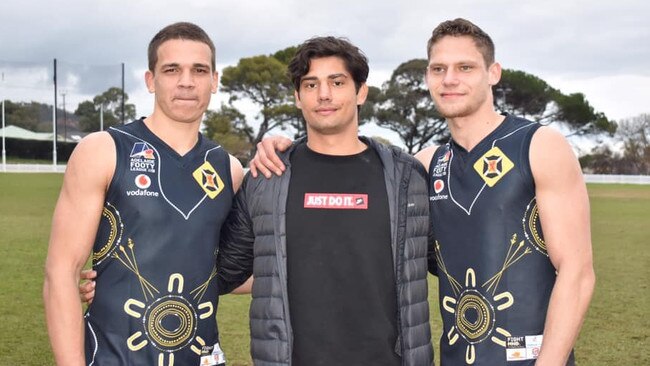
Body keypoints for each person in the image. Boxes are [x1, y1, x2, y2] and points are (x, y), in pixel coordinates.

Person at [249, 19, 595, 366]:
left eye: (465, 67)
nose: (450, 79)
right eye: (438, 69)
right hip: (457, 356)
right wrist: (278, 147)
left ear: (493, 73)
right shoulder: (423, 166)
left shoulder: (539, 145)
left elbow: (577, 272)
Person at [215, 36, 436, 366]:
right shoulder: (267, 178)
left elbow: (450, 263)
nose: (324, 95)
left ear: (361, 91)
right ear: (297, 96)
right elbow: (225, 273)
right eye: (310, 84)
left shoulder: (408, 178)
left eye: (337, 82)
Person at [43, 22, 244, 366]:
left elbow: (223, 269)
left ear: (214, 81)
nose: (186, 81)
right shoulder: (104, 150)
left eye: (199, 70)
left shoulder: (229, 169)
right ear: (151, 80)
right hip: (113, 357)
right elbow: (60, 271)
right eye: (171, 70)